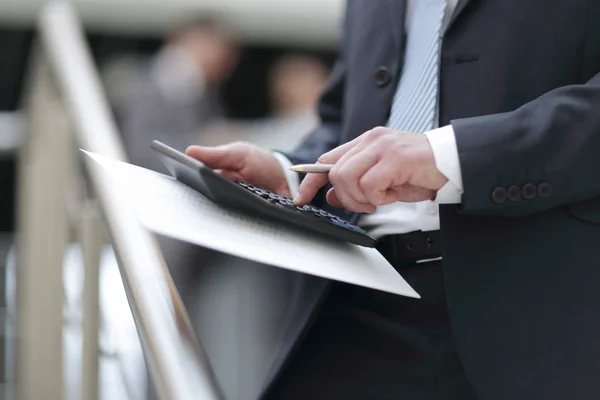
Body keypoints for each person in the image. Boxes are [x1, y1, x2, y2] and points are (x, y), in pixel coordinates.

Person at [186, 1, 600, 399]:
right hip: (352, 305)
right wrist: (290, 173)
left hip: (535, 315)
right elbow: (345, 118)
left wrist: (450, 156)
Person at [102, 17, 238, 172]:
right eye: (210, 46)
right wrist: (202, 143)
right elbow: (140, 150)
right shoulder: (138, 84)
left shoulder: (206, 96)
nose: (217, 60)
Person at [202, 54, 329, 151]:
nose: (282, 88)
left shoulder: (316, 122)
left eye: (295, 80)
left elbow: (274, 145)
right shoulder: (287, 119)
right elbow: (263, 131)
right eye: (280, 80)